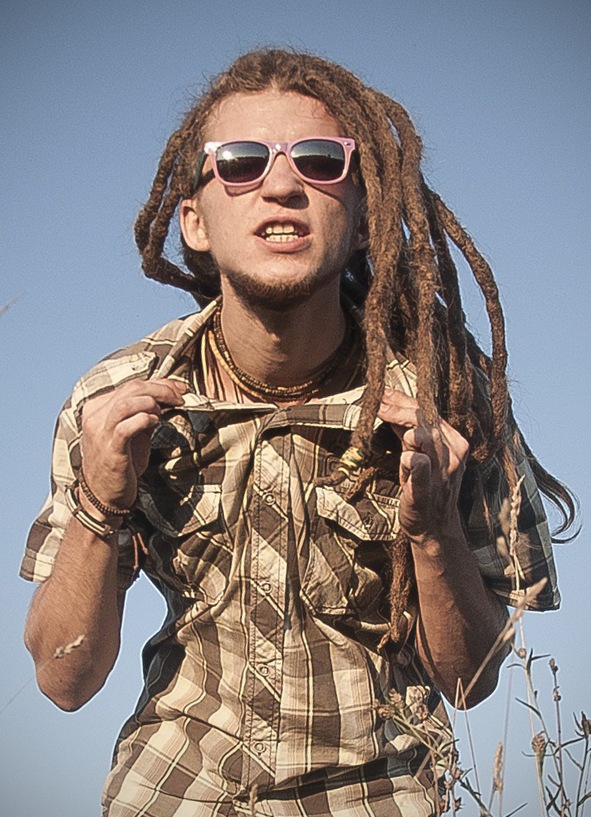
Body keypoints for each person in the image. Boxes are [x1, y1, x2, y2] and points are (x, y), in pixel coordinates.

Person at [21, 49, 577, 816]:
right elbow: (63, 680)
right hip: (174, 791)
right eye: (240, 163)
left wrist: (434, 529)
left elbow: (468, 682)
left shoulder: (447, 401)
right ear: (194, 221)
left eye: (318, 161)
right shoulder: (111, 401)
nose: (281, 185)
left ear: (362, 218)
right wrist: (98, 503)